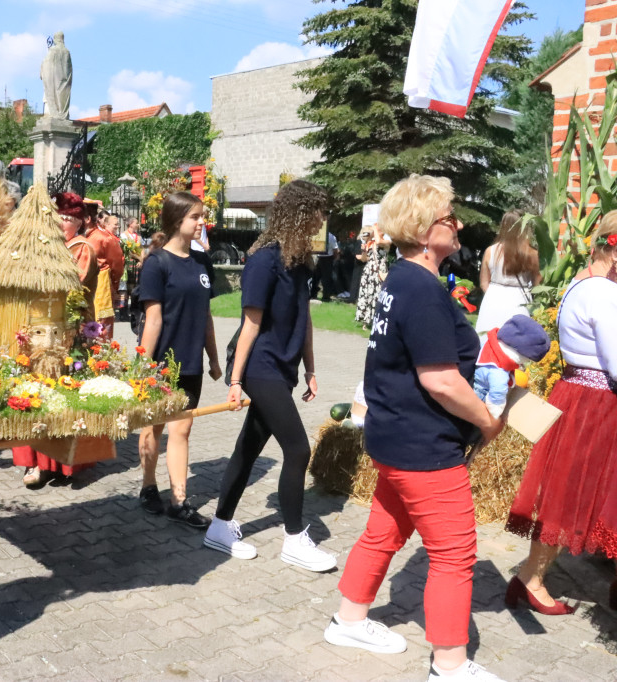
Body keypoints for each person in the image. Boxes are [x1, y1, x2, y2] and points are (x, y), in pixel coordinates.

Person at [323, 175, 505, 682]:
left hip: (393, 437)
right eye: (450, 217)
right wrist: (488, 421)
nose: (459, 224)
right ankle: (449, 663)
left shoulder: (401, 280)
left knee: (384, 531)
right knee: (453, 554)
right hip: (423, 446)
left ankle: (349, 619)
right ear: (426, 230)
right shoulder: (421, 289)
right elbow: (441, 380)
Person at [204, 180, 334, 569]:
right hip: (260, 369)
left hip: (284, 369)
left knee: (248, 448)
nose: (322, 219)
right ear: (300, 212)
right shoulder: (264, 260)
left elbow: (305, 317)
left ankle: (219, 526)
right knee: (297, 449)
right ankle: (294, 540)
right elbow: (250, 326)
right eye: (318, 211)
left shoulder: (300, 261)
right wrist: (235, 381)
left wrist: (310, 368)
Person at [504, 213, 617, 615]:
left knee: (567, 491)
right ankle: (531, 578)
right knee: (572, 495)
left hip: (579, 393)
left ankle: (529, 576)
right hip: (597, 403)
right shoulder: (604, 293)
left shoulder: (581, 282)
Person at [137, 191, 222, 529]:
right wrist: (142, 366)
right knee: (154, 425)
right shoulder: (157, 263)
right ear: (177, 221)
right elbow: (153, 319)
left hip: (192, 362)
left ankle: (179, 501)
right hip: (162, 363)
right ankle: (148, 486)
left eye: (202, 216)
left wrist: (214, 359)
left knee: (182, 429)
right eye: (196, 217)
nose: (202, 222)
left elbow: (207, 316)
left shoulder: (203, 262)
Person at [12, 192, 100, 488]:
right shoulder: (40, 246)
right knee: (32, 395)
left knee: (60, 396)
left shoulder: (82, 248)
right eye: (59, 217)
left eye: (68, 219)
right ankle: (33, 462)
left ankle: (59, 462)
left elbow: (71, 284)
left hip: (68, 334)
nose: (63, 223)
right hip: (36, 331)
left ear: (78, 221)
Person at [474, 211, 540, 334]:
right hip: (519, 300)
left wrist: (494, 296)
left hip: (493, 299)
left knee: (488, 339)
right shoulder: (532, 254)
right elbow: (537, 284)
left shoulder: (491, 251)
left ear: (503, 226)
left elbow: (484, 282)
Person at [84, 202, 124, 339]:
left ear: (87, 219)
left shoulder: (104, 238)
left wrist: (113, 284)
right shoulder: (83, 237)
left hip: (101, 284)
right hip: (84, 286)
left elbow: (117, 264)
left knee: (100, 323)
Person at [354, 224, 390, 329]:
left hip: (379, 271)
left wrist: (374, 228)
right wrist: (364, 251)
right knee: (367, 295)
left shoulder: (386, 242)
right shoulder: (370, 243)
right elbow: (364, 259)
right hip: (369, 271)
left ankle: (378, 320)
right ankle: (366, 321)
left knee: (378, 294)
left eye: (379, 230)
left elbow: (379, 242)